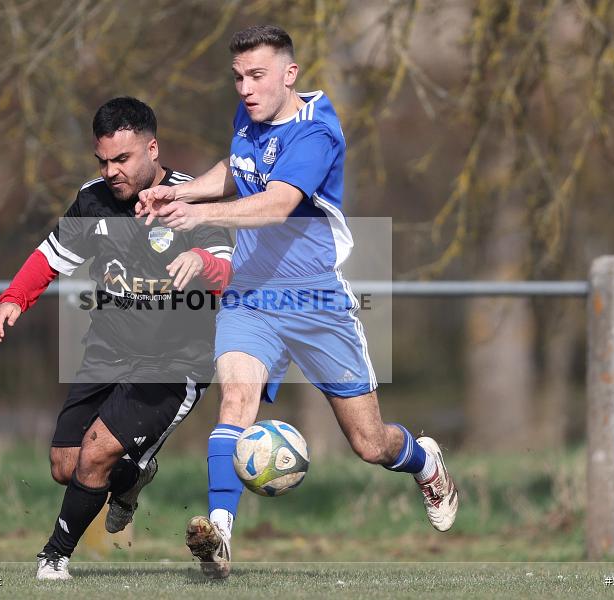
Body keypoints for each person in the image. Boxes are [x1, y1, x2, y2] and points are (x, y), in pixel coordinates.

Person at [137, 25, 459, 579]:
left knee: (369, 443)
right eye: (238, 77)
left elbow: (277, 203)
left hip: (315, 299)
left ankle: (424, 460)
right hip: (250, 293)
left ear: (290, 75)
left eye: (257, 76)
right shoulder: (253, 113)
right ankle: (220, 537)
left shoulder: (316, 136)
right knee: (235, 401)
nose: (245, 88)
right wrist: (182, 190)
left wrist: (198, 215)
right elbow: (236, 170)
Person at [0, 97, 233, 580]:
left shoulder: (191, 197)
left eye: (122, 159)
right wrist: (15, 297)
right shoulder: (93, 197)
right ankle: (131, 478)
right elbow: (51, 254)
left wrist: (203, 263)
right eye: (102, 160)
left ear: (153, 149)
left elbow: (229, 267)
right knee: (66, 465)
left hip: (174, 360)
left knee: (96, 453)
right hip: (107, 349)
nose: (111, 170)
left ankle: (52, 558)